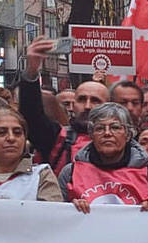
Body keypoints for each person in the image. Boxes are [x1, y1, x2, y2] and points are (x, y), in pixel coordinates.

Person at [16, 37, 108, 173]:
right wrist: (31, 71)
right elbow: (32, 116)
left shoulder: (123, 143)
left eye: (95, 101)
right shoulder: (58, 138)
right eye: (82, 99)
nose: (88, 106)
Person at [59, 103, 148, 208]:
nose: (107, 133)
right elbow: (57, 213)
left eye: (115, 127)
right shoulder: (70, 173)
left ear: (128, 134)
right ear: (91, 135)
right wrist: (71, 208)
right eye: (99, 128)